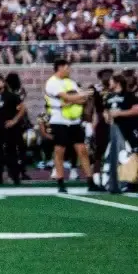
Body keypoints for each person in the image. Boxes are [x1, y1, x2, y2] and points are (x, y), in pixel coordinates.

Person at [43, 58, 94, 193]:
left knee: (82, 149)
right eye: (67, 67)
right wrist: (81, 95)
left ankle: (90, 180)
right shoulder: (52, 83)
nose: (69, 70)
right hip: (59, 119)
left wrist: (76, 98)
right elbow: (68, 97)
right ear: (60, 67)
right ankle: (60, 181)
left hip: (74, 120)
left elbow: (81, 100)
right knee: (60, 151)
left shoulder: (70, 82)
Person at [0, 74, 27, 185]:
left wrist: (14, 120)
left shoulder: (11, 96)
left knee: (11, 152)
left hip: (9, 129)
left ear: (3, 82)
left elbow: (22, 108)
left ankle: (15, 177)